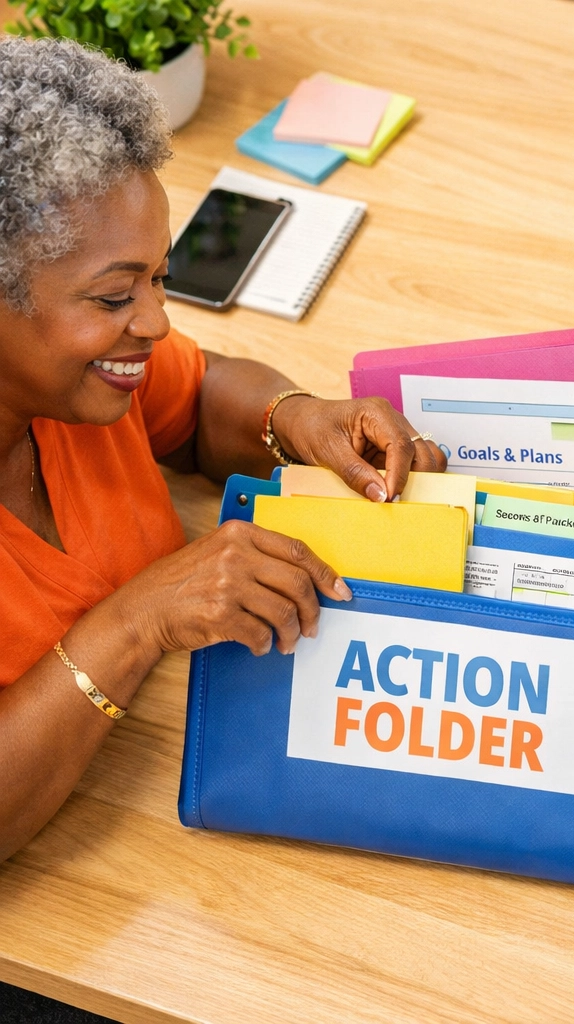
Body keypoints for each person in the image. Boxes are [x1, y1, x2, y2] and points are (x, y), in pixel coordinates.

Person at [0, 36, 446, 865]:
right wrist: (137, 621)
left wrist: (299, 419)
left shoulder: (82, 378)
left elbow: (199, 397)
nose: (156, 322)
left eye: (160, 279)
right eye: (113, 295)